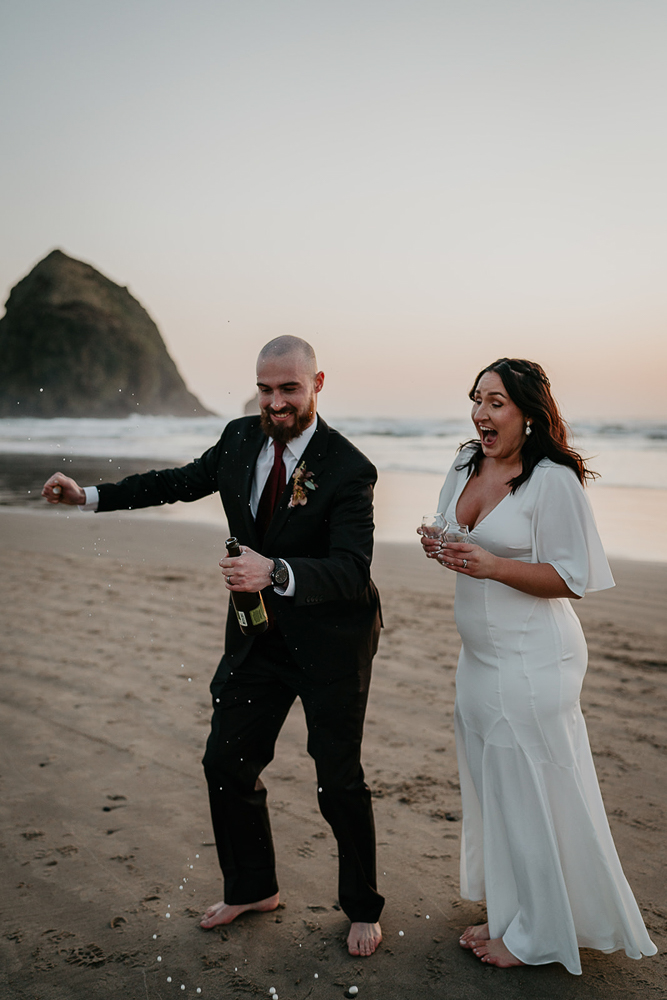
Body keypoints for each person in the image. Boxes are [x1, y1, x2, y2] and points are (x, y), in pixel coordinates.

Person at [41, 336, 384, 957]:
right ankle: (254, 887)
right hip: (259, 636)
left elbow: (353, 570)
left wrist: (273, 570)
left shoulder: (348, 467)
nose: (275, 402)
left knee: (338, 780)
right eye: (265, 388)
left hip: (333, 643)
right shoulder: (238, 437)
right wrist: (89, 496)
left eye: (289, 389)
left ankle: (362, 906)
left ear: (317, 384)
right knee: (225, 762)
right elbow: (176, 482)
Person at [420, 358, 656, 975]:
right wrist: (438, 543)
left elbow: (573, 579)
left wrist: (493, 566)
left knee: (528, 788)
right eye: (477, 400)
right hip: (480, 657)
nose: (481, 413)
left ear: (529, 411)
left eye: (496, 402)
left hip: (533, 660)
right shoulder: (465, 462)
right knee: (499, 789)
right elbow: (457, 535)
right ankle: (517, 912)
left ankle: (537, 936)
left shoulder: (553, 481)